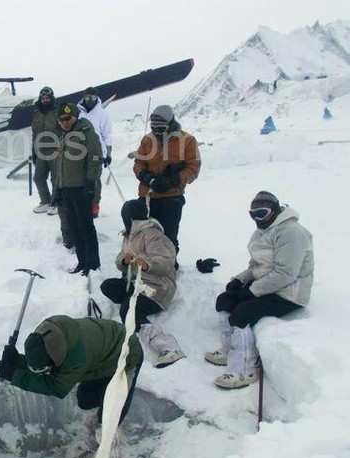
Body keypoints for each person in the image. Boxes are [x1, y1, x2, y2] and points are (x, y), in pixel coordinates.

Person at [0, 315, 143, 458]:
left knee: (109, 416)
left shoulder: (76, 358)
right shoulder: (48, 338)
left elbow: (57, 387)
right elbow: (44, 365)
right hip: (103, 358)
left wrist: (15, 375)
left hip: (127, 356)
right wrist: (17, 360)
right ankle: (102, 419)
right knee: (85, 400)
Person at [205, 191, 314, 389]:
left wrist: (253, 291)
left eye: (261, 213)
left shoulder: (292, 233)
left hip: (289, 293)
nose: (257, 219)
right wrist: (240, 280)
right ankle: (230, 349)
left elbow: (285, 274)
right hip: (267, 286)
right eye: (253, 214)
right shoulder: (263, 232)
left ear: (274, 210)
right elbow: (256, 265)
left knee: (243, 313)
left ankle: (246, 369)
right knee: (225, 300)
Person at [100, 199, 185, 368]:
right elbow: (119, 261)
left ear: (130, 217)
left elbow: (167, 261)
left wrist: (147, 264)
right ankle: (132, 300)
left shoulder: (153, 235)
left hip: (157, 288)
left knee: (128, 310)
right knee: (108, 286)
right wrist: (124, 261)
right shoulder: (128, 235)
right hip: (136, 283)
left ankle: (169, 348)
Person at [132, 104, 201, 260]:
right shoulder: (147, 140)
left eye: (161, 127)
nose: (156, 131)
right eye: (153, 126)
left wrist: (173, 180)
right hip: (148, 196)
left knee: (168, 236)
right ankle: (148, 266)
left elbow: (193, 168)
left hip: (172, 197)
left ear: (170, 123)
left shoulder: (188, 140)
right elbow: (138, 163)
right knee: (145, 234)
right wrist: (146, 177)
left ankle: (168, 267)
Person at [53, 102, 103, 275]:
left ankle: (93, 264)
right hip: (67, 190)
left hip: (82, 189)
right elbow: (59, 166)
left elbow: (95, 157)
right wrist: (57, 190)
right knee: (74, 227)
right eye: (61, 120)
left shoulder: (86, 132)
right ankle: (82, 262)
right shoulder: (63, 136)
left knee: (86, 227)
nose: (65, 122)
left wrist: (90, 182)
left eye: (68, 118)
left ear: (75, 117)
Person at [77, 86, 113, 218]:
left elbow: (107, 135)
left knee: (94, 180)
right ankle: (82, 204)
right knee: (80, 179)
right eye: (87, 97)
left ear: (96, 98)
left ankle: (94, 205)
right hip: (80, 152)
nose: (89, 100)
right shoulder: (78, 112)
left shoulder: (102, 114)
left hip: (97, 151)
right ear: (83, 97)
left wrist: (108, 153)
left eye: (92, 97)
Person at [30, 86, 59, 215]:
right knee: (38, 177)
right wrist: (34, 151)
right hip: (41, 151)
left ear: (51, 98)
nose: (45, 100)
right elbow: (34, 133)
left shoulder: (57, 111)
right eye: (43, 98)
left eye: (47, 98)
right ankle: (45, 201)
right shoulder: (37, 112)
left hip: (55, 150)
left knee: (56, 179)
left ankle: (56, 203)